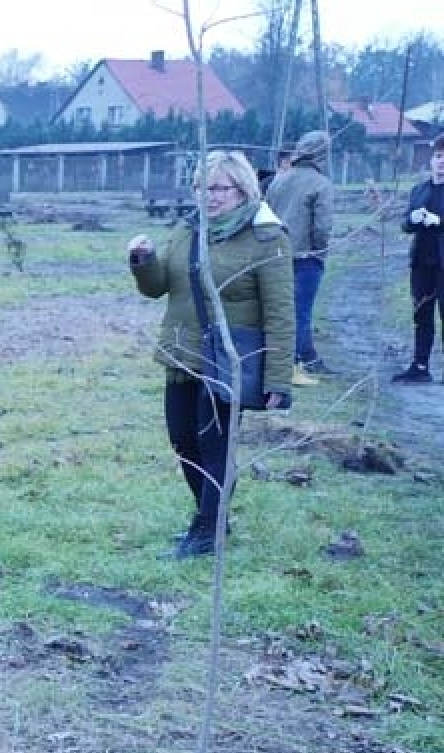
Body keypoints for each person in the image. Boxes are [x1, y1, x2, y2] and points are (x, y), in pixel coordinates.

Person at [127, 150, 293, 559]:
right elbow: (157, 286)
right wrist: (144, 261)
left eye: (219, 187)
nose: (209, 196)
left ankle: (207, 530)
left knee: (214, 447)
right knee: (184, 441)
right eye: (202, 186)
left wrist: (278, 379)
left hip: (229, 360)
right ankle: (213, 517)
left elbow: (280, 312)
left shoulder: (266, 237)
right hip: (182, 353)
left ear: (243, 189)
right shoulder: (189, 229)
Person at [265, 130, 337, 382]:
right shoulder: (321, 184)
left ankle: (282, 362)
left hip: (274, 256)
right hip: (306, 258)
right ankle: (292, 367)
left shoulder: (279, 180)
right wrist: (320, 251)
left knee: (280, 312)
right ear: (323, 154)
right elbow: (322, 227)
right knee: (300, 313)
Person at [393, 134, 444, 385]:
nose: (441, 162)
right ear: (432, 160)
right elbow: (405, 225)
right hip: (421, 263)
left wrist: (440, 222)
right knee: (422, 315)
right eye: (438, 156)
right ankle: (420, 365)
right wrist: (412, 219)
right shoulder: (419, 190)